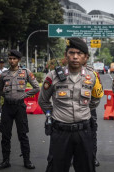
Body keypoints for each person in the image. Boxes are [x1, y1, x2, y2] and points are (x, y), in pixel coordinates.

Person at [38, 37, 103, 172]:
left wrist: (83, 110)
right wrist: (52, 114)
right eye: (71, 53)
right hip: (60, 132)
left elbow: (96, 99)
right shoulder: (53, 76)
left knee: (87, 168)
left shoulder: (92, 77)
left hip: (84, 131)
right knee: (56, 168)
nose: (75, 57)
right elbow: (43, 101)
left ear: (85, 57)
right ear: (65, 55)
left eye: (79, 54)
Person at [0, 50, 39, 170]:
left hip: (20, 107)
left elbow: (36, 88)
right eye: (10, 58)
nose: (12, 61)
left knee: (23, 135)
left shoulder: (26, 72)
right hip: (7, 107)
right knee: (5, 135)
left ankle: (27, 160)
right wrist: (6, 96)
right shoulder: (4, 74)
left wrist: (24, 95)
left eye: (14, 59)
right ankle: (5, 161)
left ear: (19, 60)